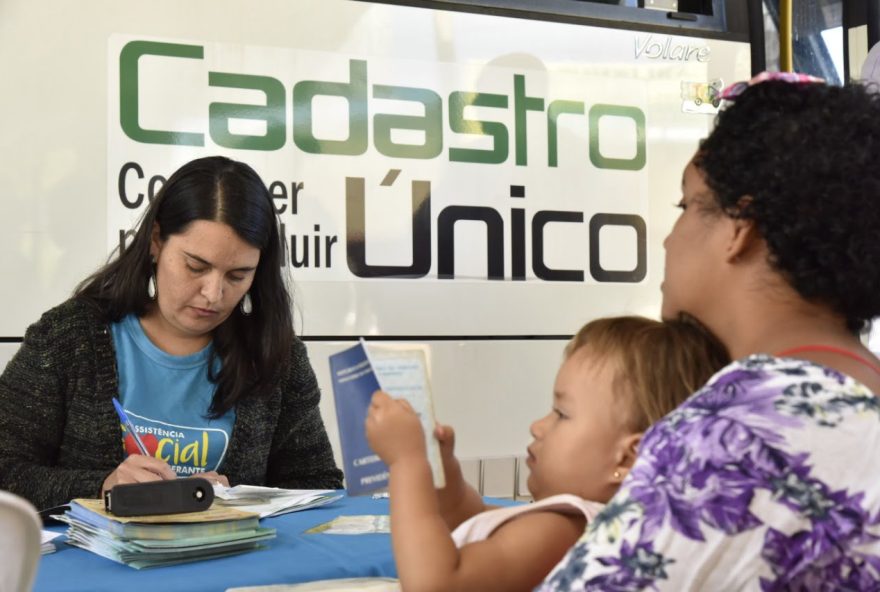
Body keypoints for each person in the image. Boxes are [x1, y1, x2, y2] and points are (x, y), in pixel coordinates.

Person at [539, 73, 880, 590]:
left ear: (739, 229)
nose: (669, 240)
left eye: (684, 205)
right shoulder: (858, 397)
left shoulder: (737, 434)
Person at [0, 156, 343, 510]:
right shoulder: (69, 338)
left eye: (237, 275)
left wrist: (234, 499)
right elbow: (7, 470)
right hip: (95, 564)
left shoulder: (274, 356)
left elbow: (317, 486)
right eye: (196, 266)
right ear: (156, 241)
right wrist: (102, 486)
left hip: (227, 564)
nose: (213, 293)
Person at [365, 315, 729, 592]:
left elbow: (439, 584)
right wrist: (442, 471)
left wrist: (408, 464)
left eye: (562, 414)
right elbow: (469, 518)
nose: (538, 426)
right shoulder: (562, 520)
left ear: (628, 458)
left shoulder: (561, 530)